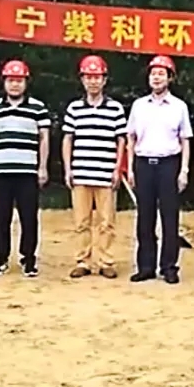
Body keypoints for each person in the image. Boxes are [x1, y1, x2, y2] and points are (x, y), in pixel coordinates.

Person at [125, 55, 192, 284]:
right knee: (145, 217)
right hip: (143, 164)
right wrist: (130, 168)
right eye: (153, 73)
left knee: (169, 218)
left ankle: (169, 267)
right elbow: (131, 138)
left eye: (161, 73)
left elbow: (185, 140)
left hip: (169, 164)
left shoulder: (179, 107)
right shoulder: (139, 106)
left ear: (170, 78)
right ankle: (146, 266)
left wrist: (184, 170)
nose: (156, 78)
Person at [0, 59, 51, 278]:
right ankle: (1, 258)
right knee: (2, 217)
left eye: (19, 80)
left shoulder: (37, 108)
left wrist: (42, 167)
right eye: (11, 80)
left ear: (26, 83)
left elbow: (44, 138)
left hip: (28, 171)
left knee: (29, 217)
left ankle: (28, 260)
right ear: (4, 82)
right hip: (0, 170)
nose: (15, 85)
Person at [62, 55, 127, 279]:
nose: (93, 81)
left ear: (104, 80)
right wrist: (68, 169)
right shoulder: (74, 108)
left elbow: (121, 140)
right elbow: (68, 139)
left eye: (97, 77)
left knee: (107, 222)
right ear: (82, 80)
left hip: (105, 173)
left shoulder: (115, 109)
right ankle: (83, 261)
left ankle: (105, 261)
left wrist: (117, 169)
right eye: (88, 77)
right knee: (81, 221)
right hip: (81, 172)